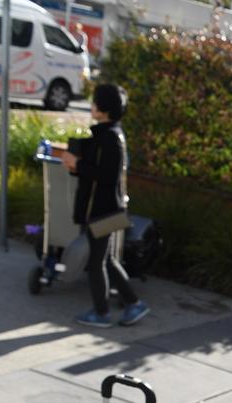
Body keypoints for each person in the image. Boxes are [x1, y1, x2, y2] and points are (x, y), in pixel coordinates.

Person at [63, 84, 149, 328]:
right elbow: (98, 171)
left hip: (103, 210)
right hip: (110, 209)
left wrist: (78, 165)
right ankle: (134, 304)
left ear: (104, 108)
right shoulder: (107, 134)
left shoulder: (110, 137)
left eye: (94, 102)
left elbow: (107, 176)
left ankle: (101, 313)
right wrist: (75, 165)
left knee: (96, 262)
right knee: (107, 260)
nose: (91, 106)